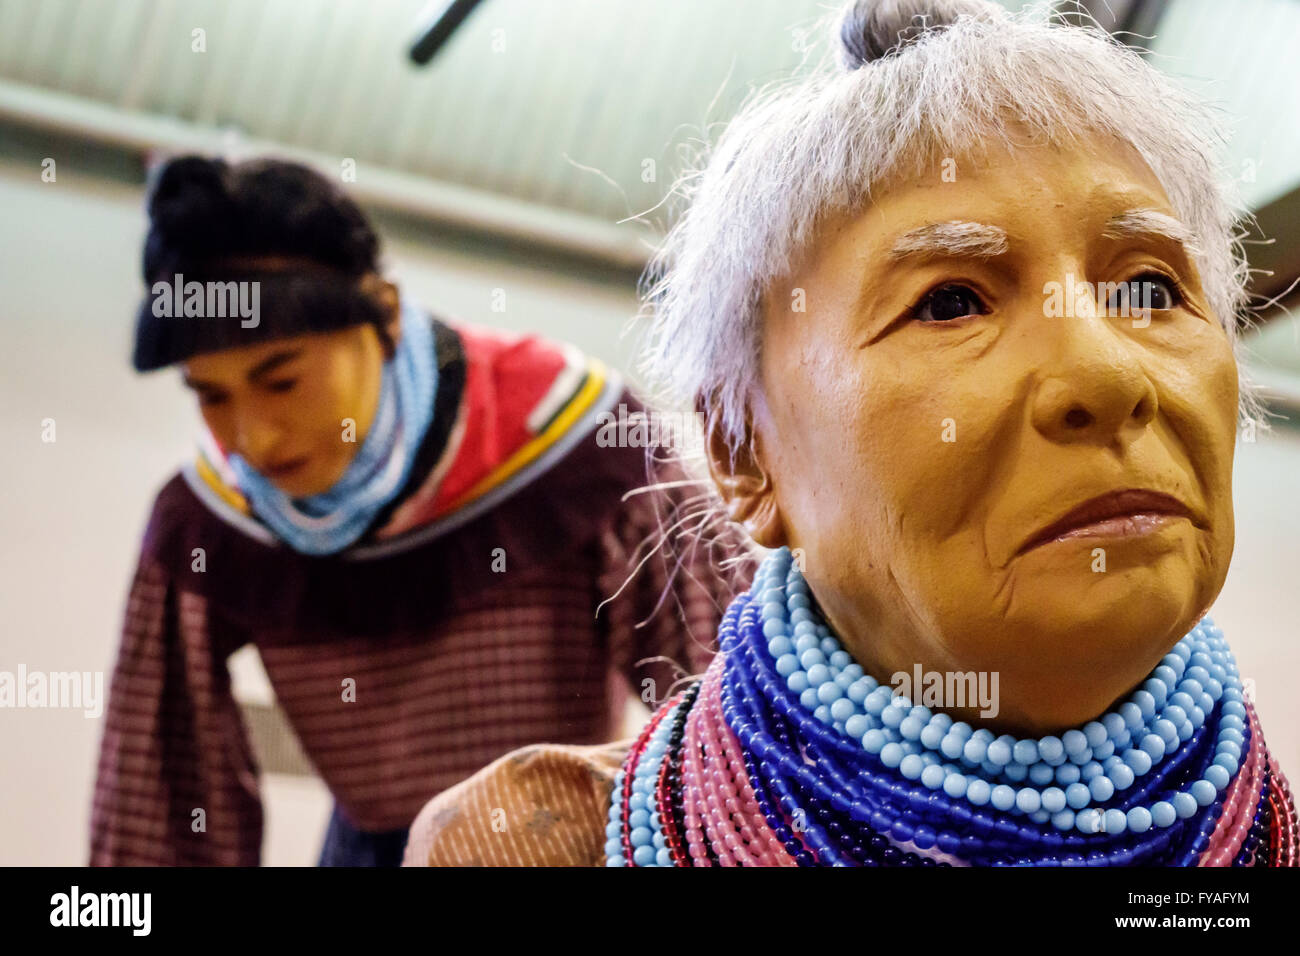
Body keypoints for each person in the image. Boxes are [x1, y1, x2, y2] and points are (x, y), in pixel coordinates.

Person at [404, 0, 1297, 866]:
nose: (1107, 378)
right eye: (950, 302)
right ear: (741, 452)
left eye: (1148, 289)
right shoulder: (538, 843)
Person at [89, 155, 742, 866]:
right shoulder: (207, 526)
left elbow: (730, 713)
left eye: (281, 379)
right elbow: (161, 807)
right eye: (211, 395)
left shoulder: (583, 439)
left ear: (386, 315)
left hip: (563, 843)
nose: (253, 440)